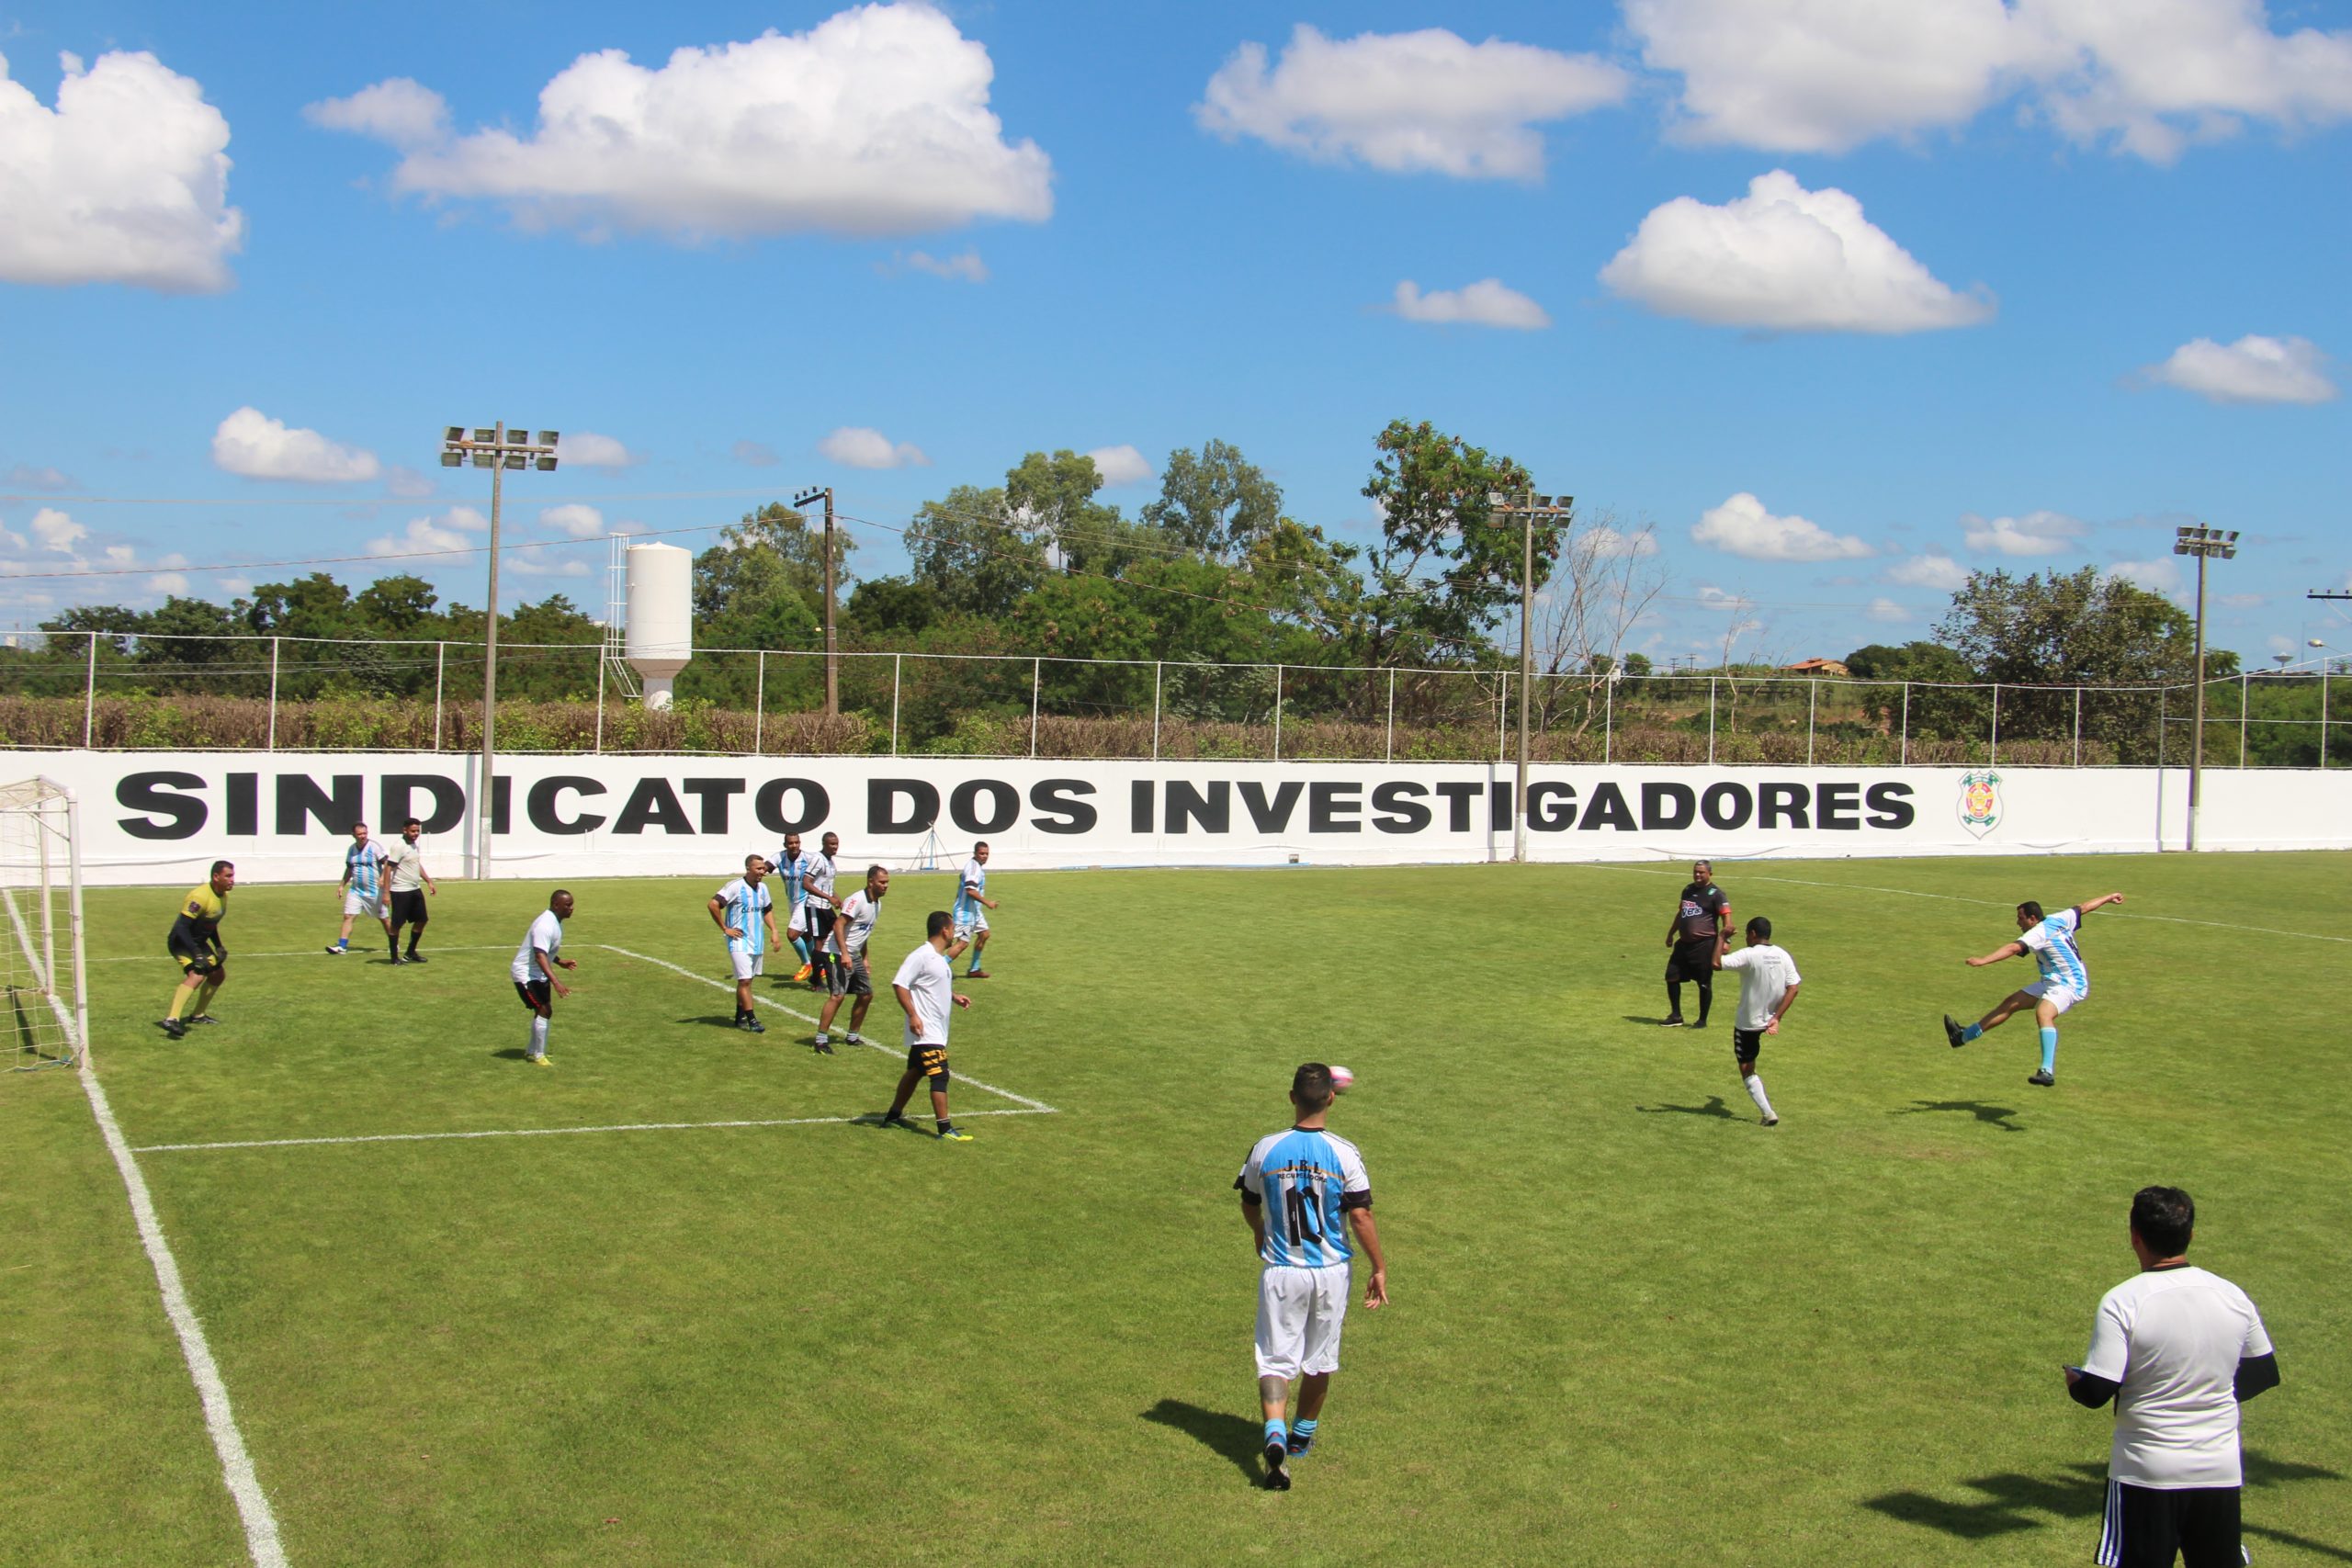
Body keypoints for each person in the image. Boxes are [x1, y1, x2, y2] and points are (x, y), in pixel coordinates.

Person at [2065, 1185, 2279, 1568]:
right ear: (2191, 1234)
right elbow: (2263, 1372)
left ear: (2134, 1237)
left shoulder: (2123, 1300)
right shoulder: (2232, 1295)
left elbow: (2097, 1390)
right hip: (2219, 1467)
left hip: (2146, 1471)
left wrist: (2074, 1381)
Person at [1235, 1063, 1388, 1491]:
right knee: (1320, 1358)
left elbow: (1248, 1200)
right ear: (1332, 1099)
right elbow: (1360, 1214)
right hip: (1331, 1271)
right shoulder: (1344, 1153)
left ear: (1291, 1097)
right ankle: (1301, 1438)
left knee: (1274, 1358)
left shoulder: (1265, 1148)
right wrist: (1379, 1266)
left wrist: (1261, 1231)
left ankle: (1275, 1435)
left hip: (1283, 1272)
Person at [1944, 891, 2125, 1086]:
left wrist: (1983, 961)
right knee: (2010, 1004)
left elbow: (2013, 949)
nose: (2017, 923)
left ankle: (2047, 1071)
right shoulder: (2059, 918)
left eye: (2020, 918)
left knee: (2043, 1013)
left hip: (2070, 983)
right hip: (2051, 980)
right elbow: (2084, 907)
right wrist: (2108, 898)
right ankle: (1962, 1037)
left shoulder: (2038, 932)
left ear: (2032, 918)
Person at [877, 911, 974, 1140]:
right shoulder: (921, 956)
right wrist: (913, 1015)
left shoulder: (937, 959)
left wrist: (954, 996)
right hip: (927, 1031)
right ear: (945, 930)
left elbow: (931, 986)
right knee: (940, 1075)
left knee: (915, 1071)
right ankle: (944, 1128)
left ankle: (893, 1116)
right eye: (952, 928)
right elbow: (899, 984)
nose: (954, 932)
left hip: (934, 1030)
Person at [1713, 916, 1800, 1126]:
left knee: (1747, 1070)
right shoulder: (1782, 954)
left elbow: (1716, 963)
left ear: (1752, 934)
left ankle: (1768, 1113)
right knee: (1750, 1066)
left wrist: (1722, 936)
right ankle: (1767, 1112)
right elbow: (1794, 987)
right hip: (1769, 1020)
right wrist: (1777, 1018)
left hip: (1748, 1023)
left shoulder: (1749, 955)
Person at [815, 864, 889, 1054]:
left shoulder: (877, 904)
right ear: (870, 882)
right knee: (837, 995)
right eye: (882, 882)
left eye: (887, 882)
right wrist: (845, 954)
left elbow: (862, 933)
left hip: (853, 954)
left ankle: (852, 1036)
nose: (885, 886)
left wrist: (865, 958)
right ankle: (821, 1040)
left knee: (866, 994)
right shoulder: (857, 900)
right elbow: (839, 925)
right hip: (834, 953)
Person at [159, 860, 234, 1040]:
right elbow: (181, 928)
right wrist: (197, 954)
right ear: (216, 877)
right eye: (228, 876)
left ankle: (197, 1015)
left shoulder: (223, 895)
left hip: (198, 941)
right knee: (197, 974)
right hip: (181, 942)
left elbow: (211, 923)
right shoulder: (199, 897)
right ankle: (172, 1019)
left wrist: (218, 946)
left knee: (218, 975)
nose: (232, 880)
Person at [707, 854, 779, 1033]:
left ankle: (739, 1016)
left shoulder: (763, 888)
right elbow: (713, 904)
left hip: (757, 941)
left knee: (747, 981)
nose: (763, 872)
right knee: (745, 980)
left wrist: (775, 931)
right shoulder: (735, 886)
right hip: (738, 940)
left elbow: (767, 910)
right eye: (759, 869)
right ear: (748, 869)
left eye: (763, 868)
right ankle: (752, 1020)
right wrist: (725, 928)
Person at [510, 890, 577, 1067]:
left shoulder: (554, 922)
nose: (572, 908)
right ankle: (539, 1055)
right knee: (544, 1010)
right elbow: (540, 956)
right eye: (568, 905)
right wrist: (556, 982)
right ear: (556, 905)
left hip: (538, 974)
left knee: (543, 1011)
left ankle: (532, 1051)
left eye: (572, 904)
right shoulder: (545, 925)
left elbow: (544, 951)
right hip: (525, 974)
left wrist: (559, 961)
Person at [1662, 859, 1732, 1028]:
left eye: (1701, 872)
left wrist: (1726, 941)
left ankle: (1702, 1020)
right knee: (1671, 976)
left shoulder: (1716, 894)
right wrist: (1671, 933)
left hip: (1705, 944)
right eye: (1695, 872)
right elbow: (1681, 913)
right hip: (1684, 944)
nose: (1697, 875)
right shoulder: (1688, 890)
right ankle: (1676, 1015)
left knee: (1704, 983)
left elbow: (1727, 919)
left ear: (1710, 874)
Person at [327, 821, 391, 957]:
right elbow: (349, 869)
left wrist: (382, 878)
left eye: (365, 833)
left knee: (384, 918)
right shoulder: (352, 849)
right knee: (348, 916)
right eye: (360, 834)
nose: (363, 836)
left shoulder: (374, 847)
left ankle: (394, 943)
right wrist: (341, 885)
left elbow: (387, 863)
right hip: (356, 890)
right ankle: (342, 946)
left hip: (374, 891)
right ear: (353, 835)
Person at [381, 818, 437, 965]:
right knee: (396, 925)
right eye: (413, 831)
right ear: (404, 830)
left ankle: (410, 952)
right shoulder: (398, 846)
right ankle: (394, 957)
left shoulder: (414, 845)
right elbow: (388, 869)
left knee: (422, 920)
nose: (415, 834)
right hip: (400, 891)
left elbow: (416, 864)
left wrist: (428, 881)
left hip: (414, 889)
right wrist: (386, 893)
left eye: (418, 831)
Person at [800, 830, 843, 991]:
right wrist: (828, 897)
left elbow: (827, 887)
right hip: (814, 906)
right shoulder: (817, 859)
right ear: (824, 844)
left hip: (826, 907)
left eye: (836, 844)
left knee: (836, 935)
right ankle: (817, 980)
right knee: (819, 943)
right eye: (832, 844)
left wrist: (838, 899)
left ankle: (826, 971)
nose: (835, 847)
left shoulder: (831, 862)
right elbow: (806, 883)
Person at [953, 840, 1000, 979]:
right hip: (965, 913)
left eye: (986, 854)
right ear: (975, 853)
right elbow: (970, 890)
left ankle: (974, 969)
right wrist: (988, 903)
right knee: (962, 944)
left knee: (984, 934)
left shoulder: (976, 867)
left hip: (974, 912)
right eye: (981, 853)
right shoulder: (973, 869)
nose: (984, 856)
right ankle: (938, 969)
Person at [775, 830, 817, 983]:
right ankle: (820, 964)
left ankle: (807, 964)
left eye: (796, 842)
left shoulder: (808, 858)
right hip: (792, 901)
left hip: (806, 901)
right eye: (791, 843)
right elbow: (766, 866)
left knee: (792, 934)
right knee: (805, 935)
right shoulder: (779, 857)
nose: (794, 845)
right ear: (785, 845)